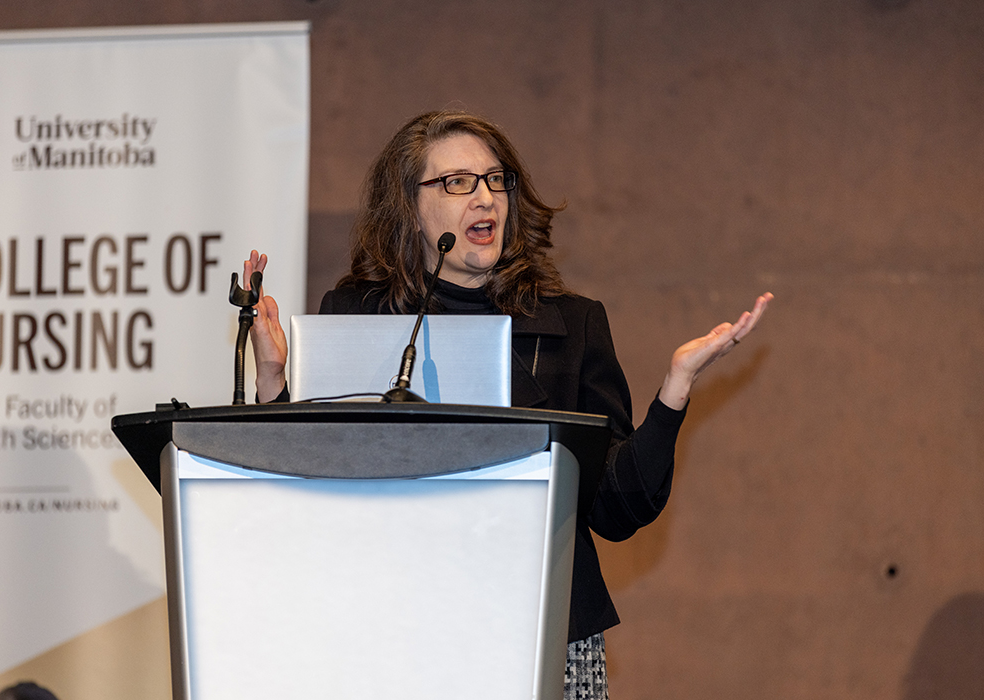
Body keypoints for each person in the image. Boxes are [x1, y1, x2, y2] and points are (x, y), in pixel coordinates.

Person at [242, 110, 771, 700]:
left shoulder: (572, 325)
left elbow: (616, 510)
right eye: (457, 182)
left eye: (496, 180)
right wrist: (274, 380)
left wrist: (675, 388)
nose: (485, 197)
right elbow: (308, 485)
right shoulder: (355, 317)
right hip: (392, 630)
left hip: (540, 630)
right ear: (410, 207)